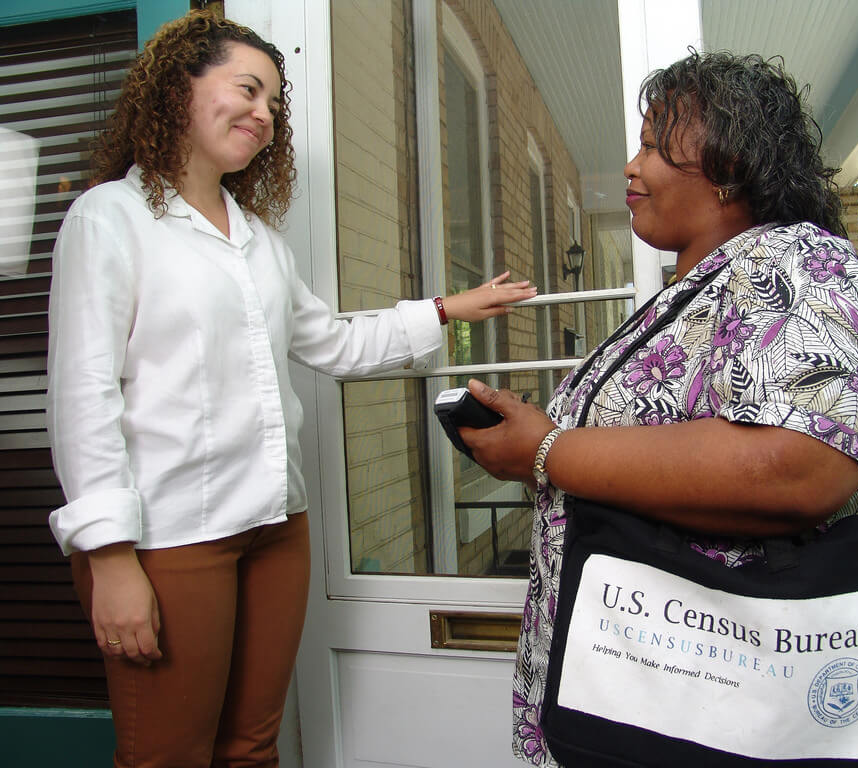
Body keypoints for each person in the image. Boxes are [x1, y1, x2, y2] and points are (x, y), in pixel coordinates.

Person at [45, 10, 535, 767]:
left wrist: (446, 310)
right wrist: (109, 556)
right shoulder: (108, 219)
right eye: (248, 89)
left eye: (275, 103)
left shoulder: (259, 243)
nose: (264, 115)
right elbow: (82, 397)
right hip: (171, 536)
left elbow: (332, 343)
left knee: (253, 748)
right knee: (168, 756)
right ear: (178, 87)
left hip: (278, 525)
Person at [460, 50, 858, 767]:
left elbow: (800, 467)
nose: (631, 168)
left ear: (734, 160)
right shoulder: (700, 290)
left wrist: (549, 451)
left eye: (655, 143)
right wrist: (538, 446)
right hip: (641, 697)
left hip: (717, 704)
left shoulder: (793, 262)